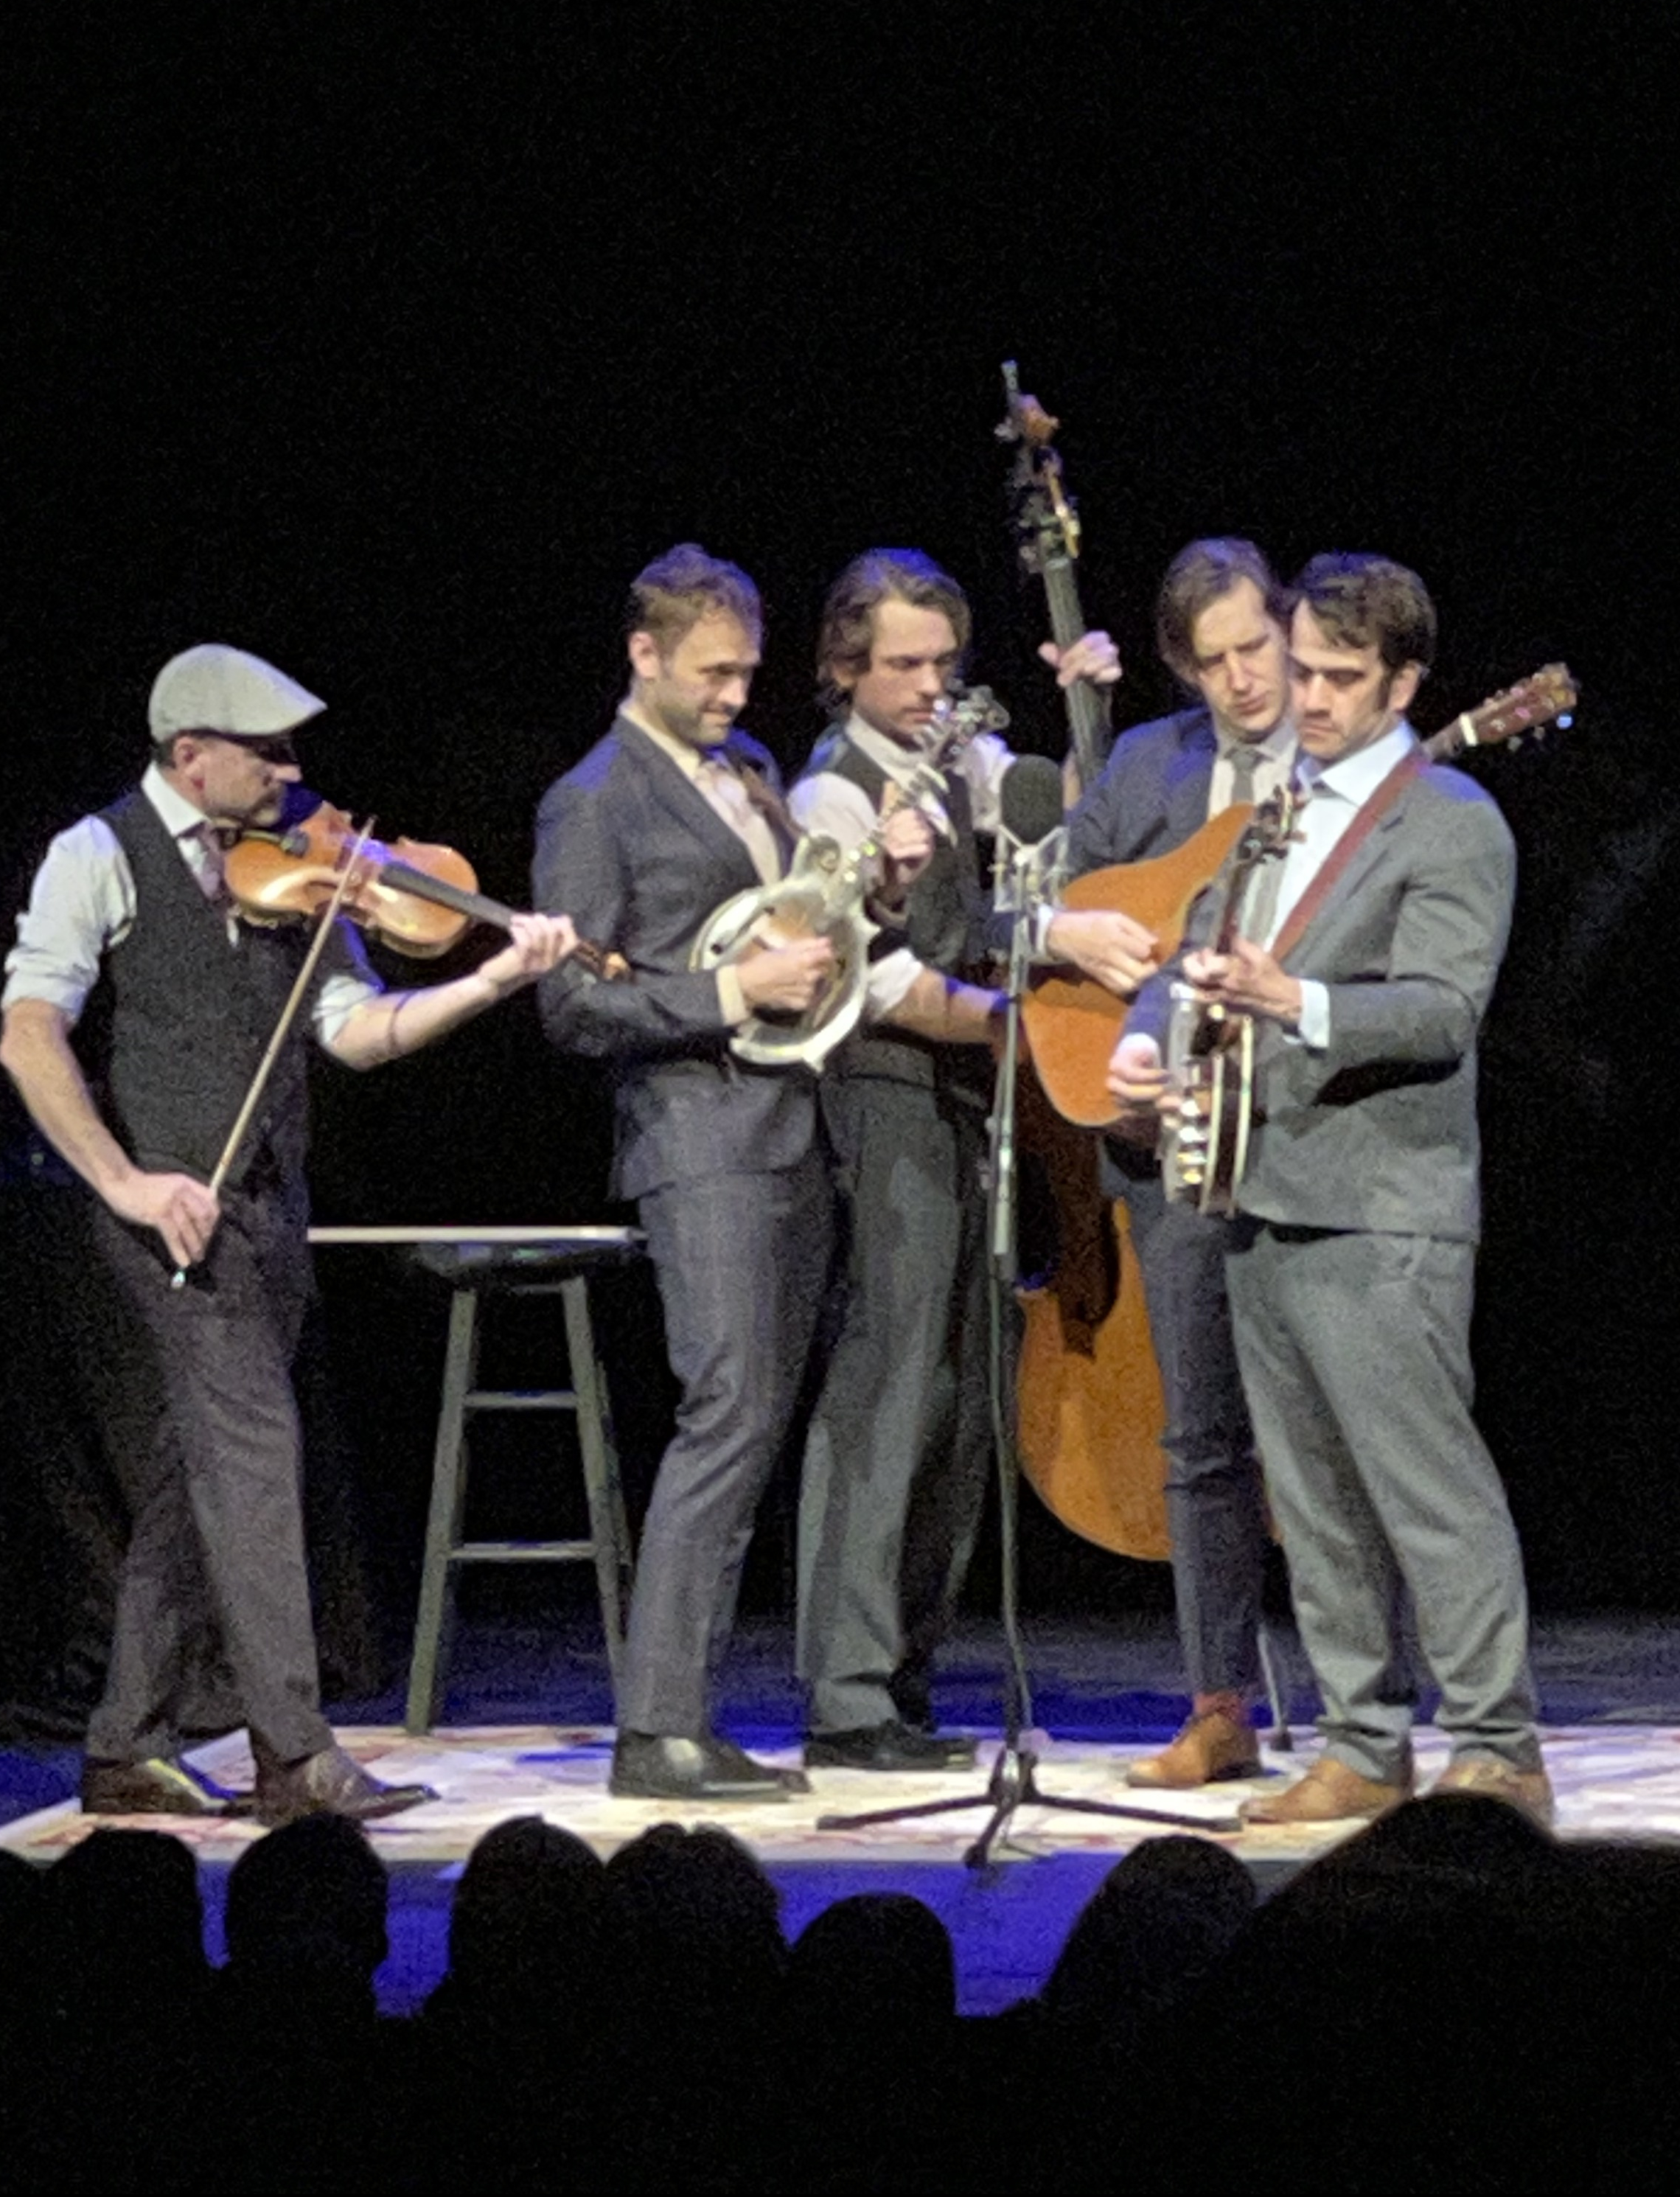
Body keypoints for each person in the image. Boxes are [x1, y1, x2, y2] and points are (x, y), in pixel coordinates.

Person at [0, 643, 576, 1826]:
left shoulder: (298, 868)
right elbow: (28, 1034)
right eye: (265, 752)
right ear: (189, 755)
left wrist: (493, 983)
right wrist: (125, 1182)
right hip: (172, 1216)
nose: (293, 773)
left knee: (195, 1473)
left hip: (272, 1207)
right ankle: (294, 1755)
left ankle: (124, 1744)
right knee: (258, 1461)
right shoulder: (96, 853)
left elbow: (358, 1032)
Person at [531, 547, 1001, 1800]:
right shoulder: (596, 799)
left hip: (790, 1130)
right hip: (699, 1143)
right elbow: (572, 1006)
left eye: (745, 672)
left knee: (758, 1426)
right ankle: (657, 1730)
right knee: (726, 1416)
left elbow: (810, 923)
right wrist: (734, 991)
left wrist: (883, 881)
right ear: (644, 654)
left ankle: (711, 1713)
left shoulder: (743, 770)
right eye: (711, 673)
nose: (737, 696)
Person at [1109, 556, 1550, 1825]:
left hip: (1382, 1205)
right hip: (1264, 1195)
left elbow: (1442, 1009)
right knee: (1311, 1500)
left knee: (1424, 1490)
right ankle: (1362, 1742)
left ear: (1403, 685)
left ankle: (1498, 1746)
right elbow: (1195, 954)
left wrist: (1290, 998)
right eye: (1300, 669)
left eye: (1341, 678)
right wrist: (1151, 1040)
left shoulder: (1449, 818)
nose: (1307, 697)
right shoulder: (1278, 812)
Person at [790, 547, 1128, 1766]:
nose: (931, 685)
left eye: (943, 662)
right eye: (903, 665)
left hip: (974, 1100)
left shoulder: (961, 765)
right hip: (885, 1096)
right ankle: (847, 1694)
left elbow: (1062, 838)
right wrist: (1017, 1015)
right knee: (890, 1389)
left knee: (961, 1395)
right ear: (845, 669)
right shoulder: (829, 796)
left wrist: (1088, 715)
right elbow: (875, 980)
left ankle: (908, 1675)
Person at [1053, 537, 1302, 1787]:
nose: (1244, 679)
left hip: (1307, 1135)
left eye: (1258, 646)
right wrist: (1067, 935)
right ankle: (1219, 1708)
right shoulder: (1150, 765)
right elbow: (1038, 912)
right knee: (1200, 1436)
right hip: (1174, 1145)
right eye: (1214, 662)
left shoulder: (1343, 759)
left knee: (1335, 1434)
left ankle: (1376, 1708)